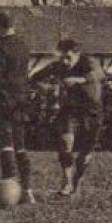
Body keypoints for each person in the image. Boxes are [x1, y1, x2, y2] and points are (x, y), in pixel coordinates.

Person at [32, 38, 105, 196]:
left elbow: (100, 74)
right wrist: (45, 88)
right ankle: (66, 182)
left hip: (92, 111)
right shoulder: (57, 66)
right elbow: (34, 78)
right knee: (65, 144)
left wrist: (81, 79)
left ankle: (76, 183)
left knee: (84, 156)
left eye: (68, 58)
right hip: (70, 110)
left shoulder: (88, 62)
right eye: (62, 57)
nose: (65, 62)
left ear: (77, 54)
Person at [0, 11, 36, 204]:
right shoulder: (24, 46)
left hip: (4, 99)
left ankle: (9, 185)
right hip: (21, 100)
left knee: (5, 144)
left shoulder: (1, 48)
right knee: (20, 145)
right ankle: (28, 190)